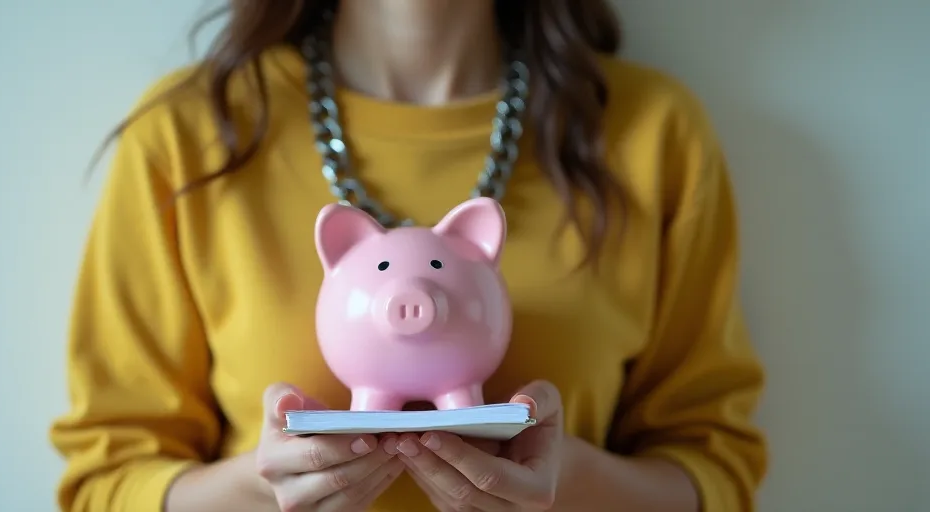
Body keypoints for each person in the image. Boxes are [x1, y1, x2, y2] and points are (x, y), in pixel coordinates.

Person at [48, 0, 768, 510]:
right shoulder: (190, 136)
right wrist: (261, 491)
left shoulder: (652, 133)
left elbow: (716, 472)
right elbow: (105, 483)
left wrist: (567, 480)